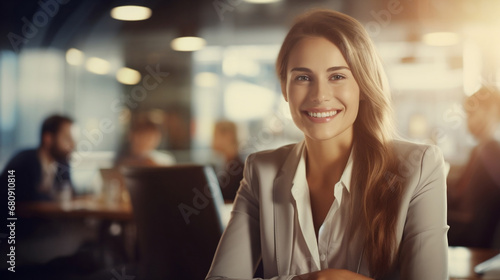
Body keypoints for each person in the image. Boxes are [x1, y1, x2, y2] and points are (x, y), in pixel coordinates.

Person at [206, 9, 448, 280]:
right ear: (285, 88)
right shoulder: (261, 171)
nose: (320, 95)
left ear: (363, 85)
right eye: (303, 77)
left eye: (337, 76)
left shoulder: (419, 167)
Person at [447, 86, 500, 248]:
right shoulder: (478, 150)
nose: (467, 120)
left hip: (473, 233)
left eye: (472, 113)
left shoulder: (492, 153)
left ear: (490, 112)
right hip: (465, 224)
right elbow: (459, 195)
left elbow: (474, 213)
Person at [0, 114, 75, 202]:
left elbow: (71, 194)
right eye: (67, 138)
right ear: (48, 139)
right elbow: (24, 200)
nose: (72, 144)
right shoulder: (24, 162)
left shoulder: (62, 163)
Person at [212, 120, 244, 201]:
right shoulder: (225, 164)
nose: (212, 140)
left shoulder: (239, 168)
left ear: (229, 136)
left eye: (215, 135)